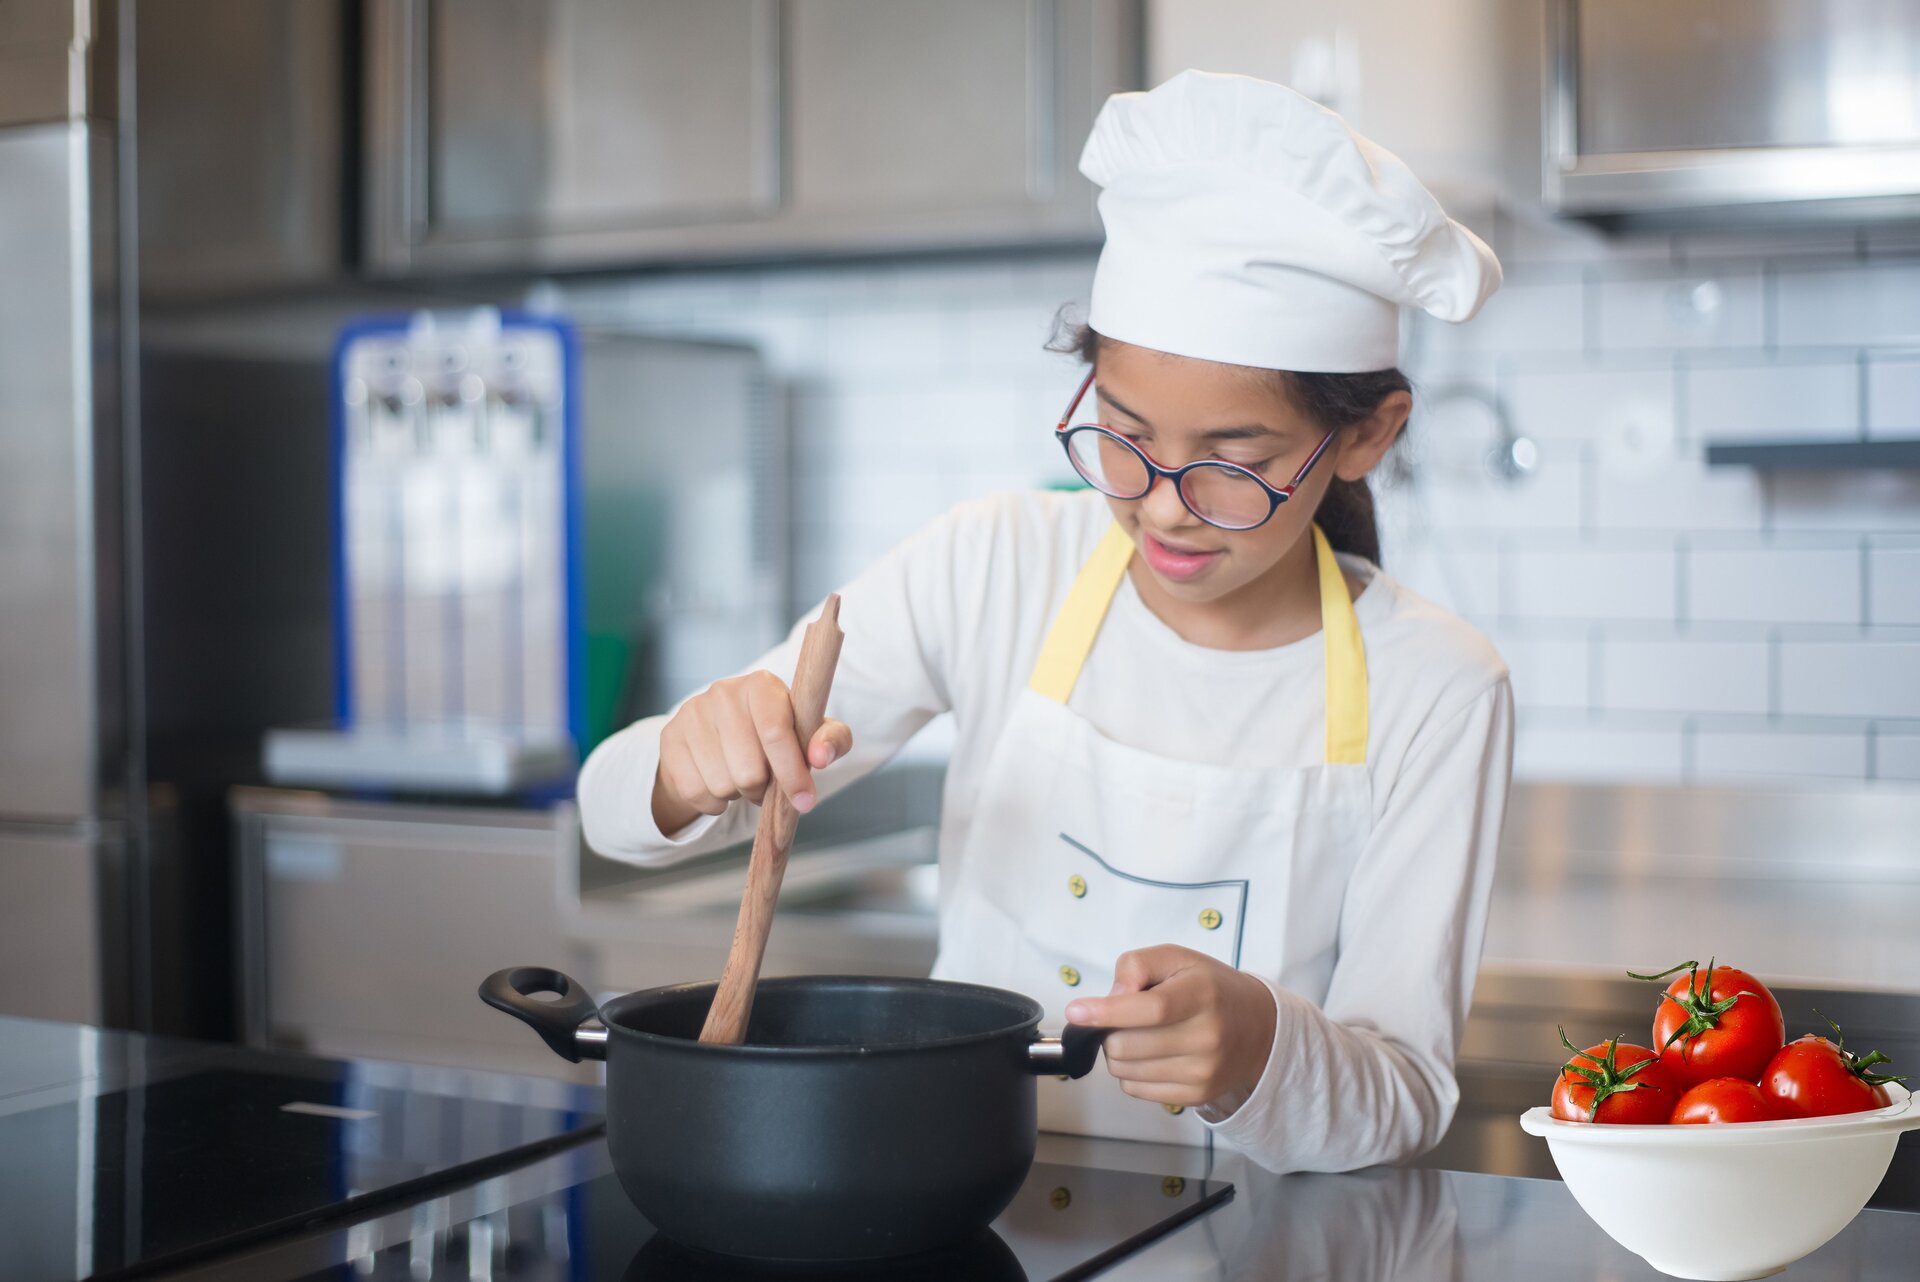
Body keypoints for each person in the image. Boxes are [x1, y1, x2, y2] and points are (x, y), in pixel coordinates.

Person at [579, 70, 1513, 1173]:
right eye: (1122, 434)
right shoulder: (999, 562)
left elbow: (1402, 1096)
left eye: (1234, 464)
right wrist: (690, 764)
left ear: (1367, 436)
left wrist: (1265, 1048)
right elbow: (610, 810)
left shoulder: (1440, 686)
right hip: (956, 1209)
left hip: (1252, 1246)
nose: (1162, 504)